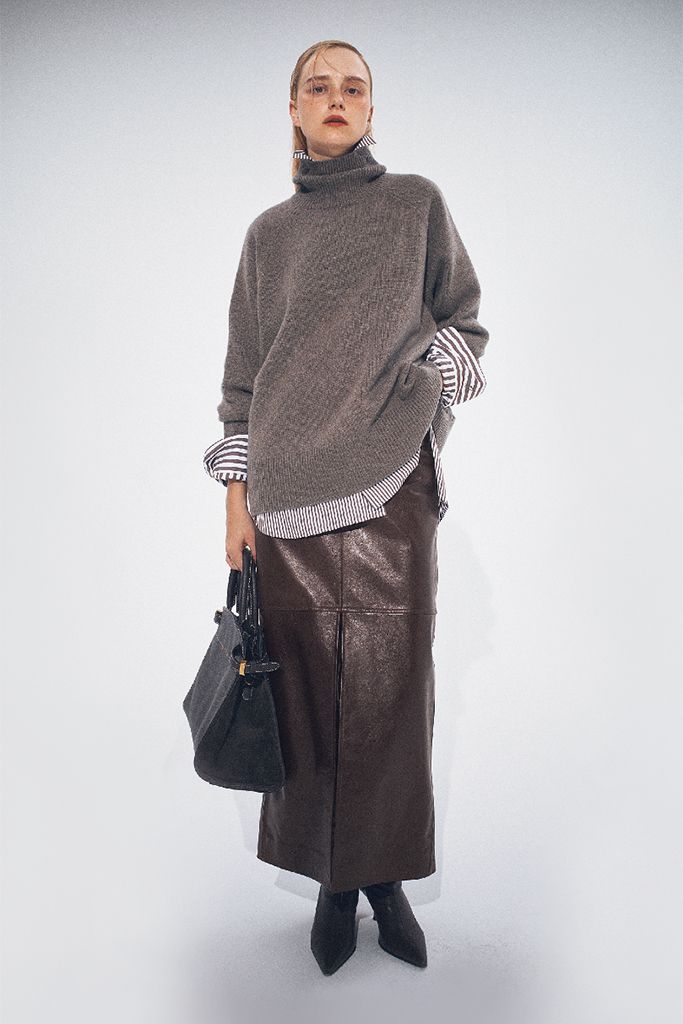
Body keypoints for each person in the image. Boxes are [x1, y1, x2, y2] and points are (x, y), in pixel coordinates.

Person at [202, 39, 489, 975]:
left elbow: (464, 320)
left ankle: (385, 882)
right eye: (318, 86)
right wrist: (237, 503)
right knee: (302, 700)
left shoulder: (414, 204)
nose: (336, 97)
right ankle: (332, 888)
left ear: (371, 109)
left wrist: (420, 408)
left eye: (352, 87)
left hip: (390, 484)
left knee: (389, 695)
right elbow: (243, 382)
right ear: (293, 109)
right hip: (284, 496)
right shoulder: (268, 235)